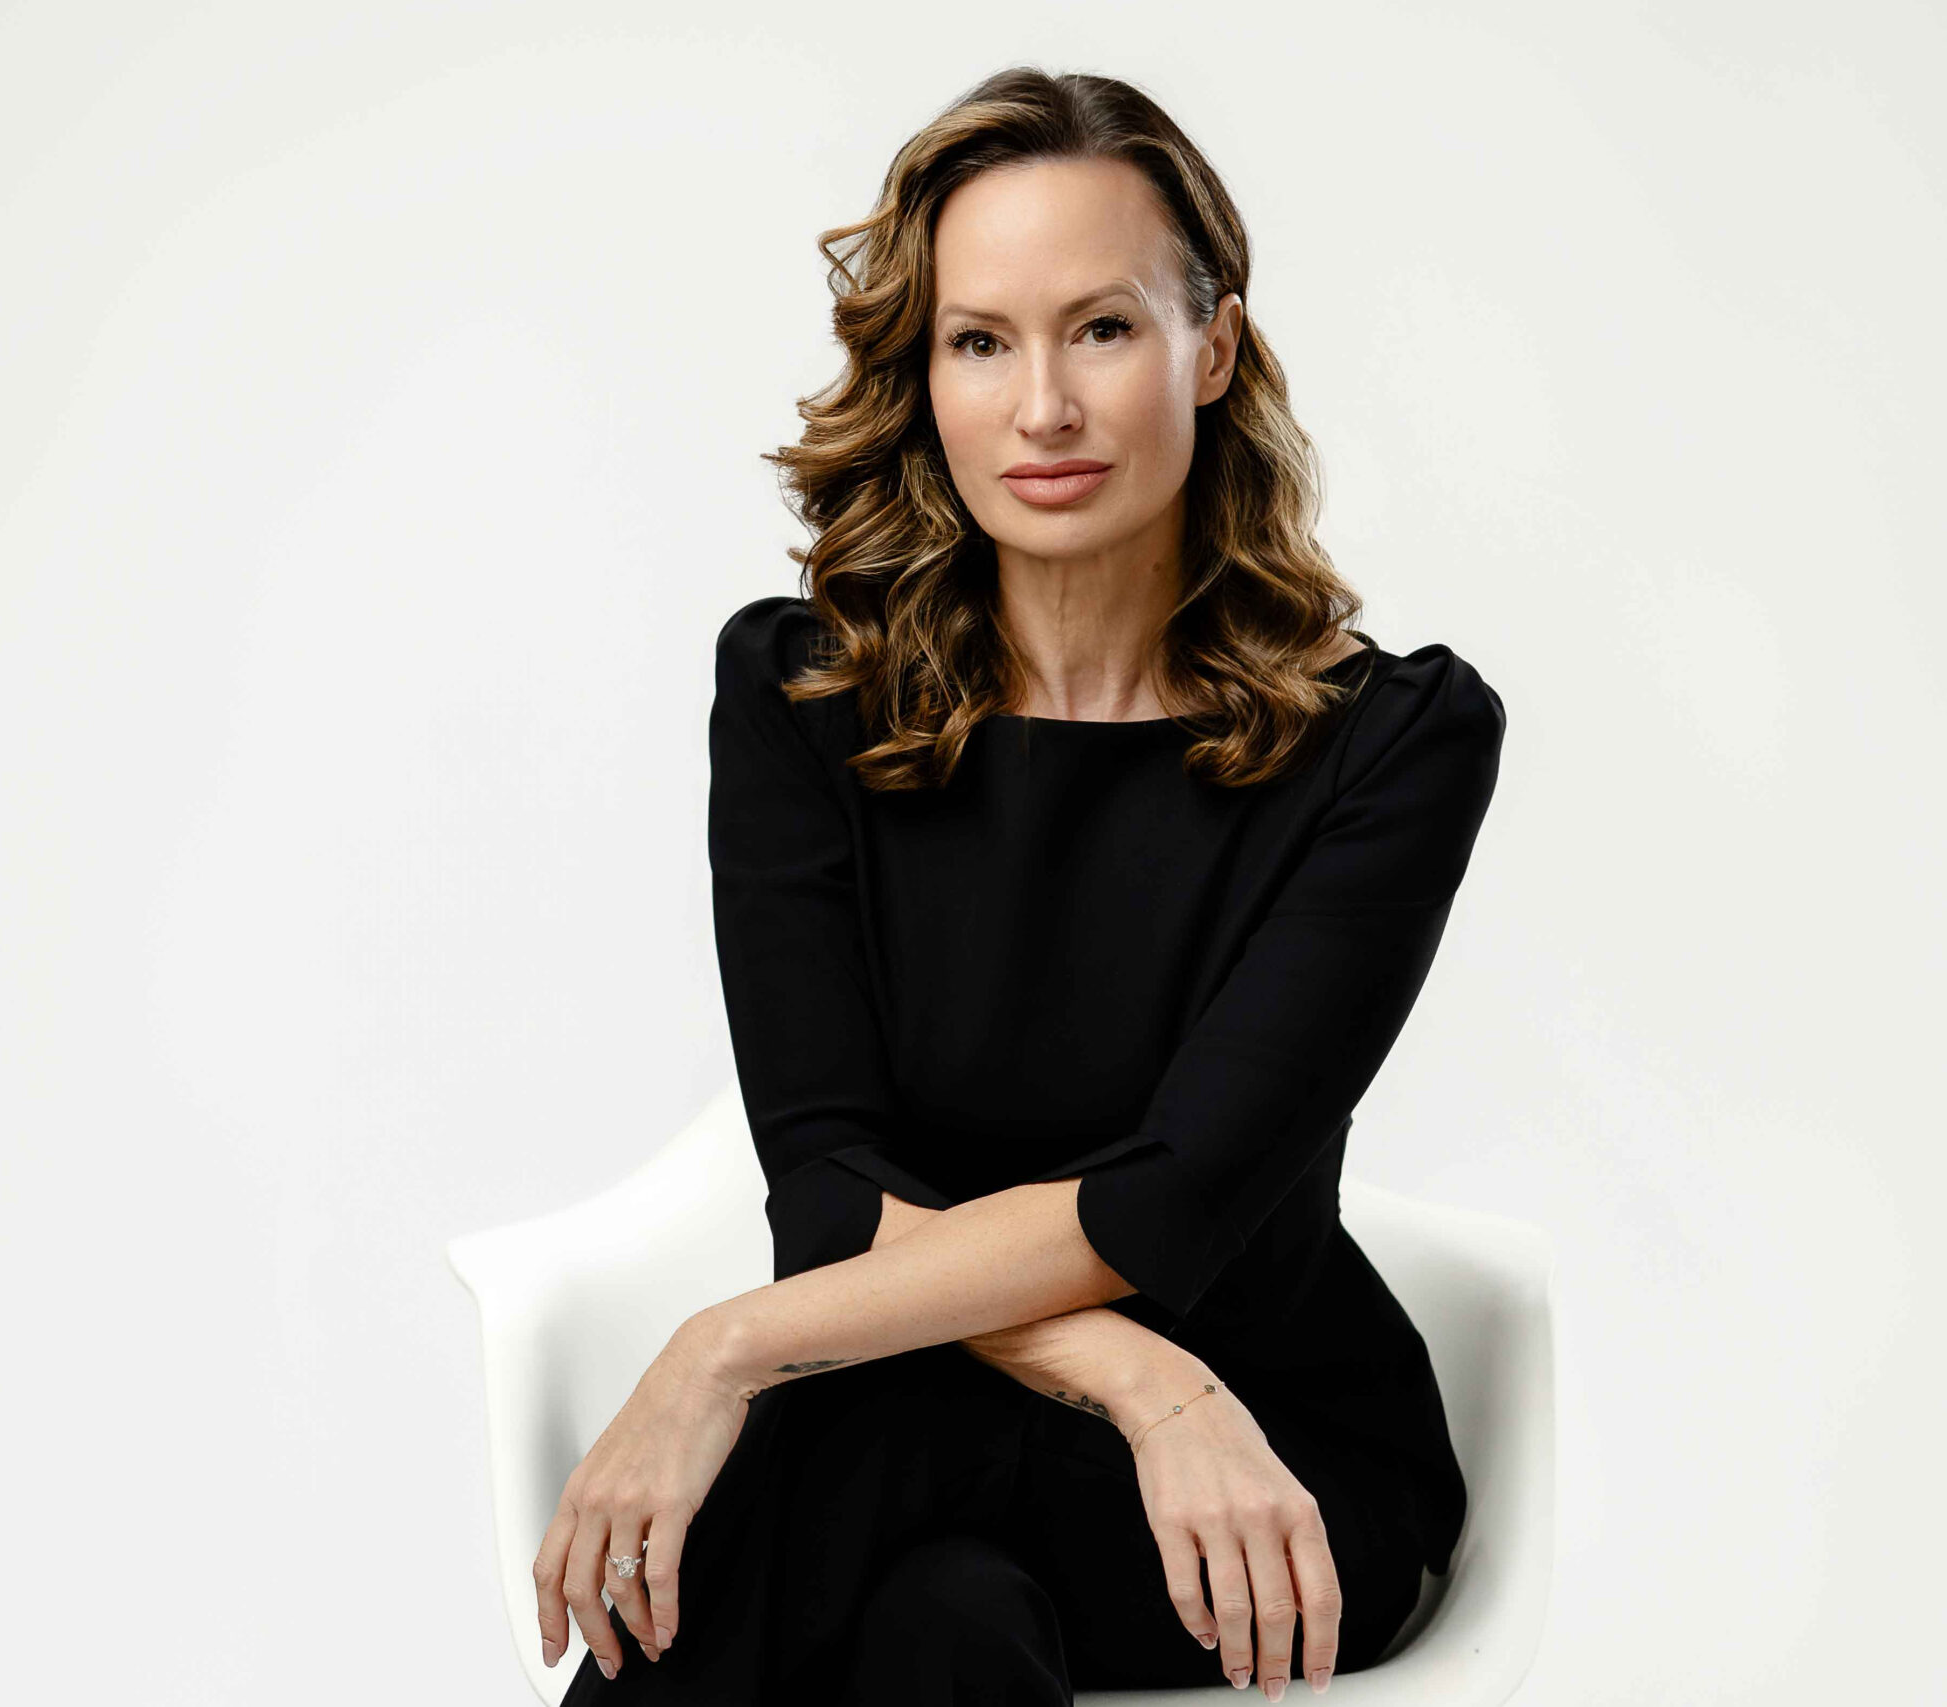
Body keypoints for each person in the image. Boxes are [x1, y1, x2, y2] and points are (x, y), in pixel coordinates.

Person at [537, 66, 1506, 1705]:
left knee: (793, 1530)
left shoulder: (1391, 741)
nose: (1041, 408)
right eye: (981, 341)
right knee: (946, 1631)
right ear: (923, 378)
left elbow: (1172, 1199)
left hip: (1264, 1467)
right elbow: (828, 1183)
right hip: (995, 1416)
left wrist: (726, 1347)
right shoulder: (800, 701)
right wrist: (1138, 1384)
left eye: (1102, 329)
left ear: (1216, 343)